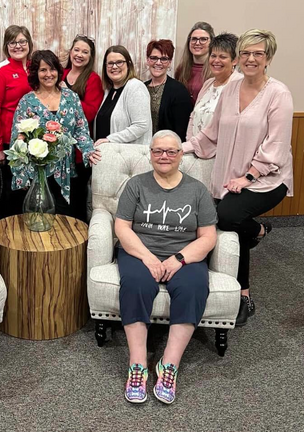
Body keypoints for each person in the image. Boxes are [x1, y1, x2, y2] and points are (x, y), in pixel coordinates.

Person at [183, 29, 293, 326]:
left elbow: (276, 145)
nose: (250, 58)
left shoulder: (278, 94)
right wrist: (182, 148)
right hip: (230, 177)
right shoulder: (230, 89)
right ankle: (244, 289)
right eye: (245, 53)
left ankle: (257, 235)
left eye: (258, 53)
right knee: (235, 226)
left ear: (268, 58)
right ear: (239, 57)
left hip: (267, 179)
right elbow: (212, 134)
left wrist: (249, 176)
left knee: (228, 217)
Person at [115, 130, 217, 405]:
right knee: (136, 284)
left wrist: (179, 258)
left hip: (183, 254)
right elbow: (122, 227)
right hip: (140, 252)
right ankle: (137, 364)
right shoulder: (136, 185)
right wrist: (148, 257)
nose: (164, 156)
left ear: (181, 155)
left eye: (171, 151)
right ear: (150, 154)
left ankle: (169, 365)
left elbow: (208, 236)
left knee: (194, 287)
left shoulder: (197, 190)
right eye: (158, 151)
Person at [10, 50, 100, 215]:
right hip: (37, 171)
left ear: (58, 71)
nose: (48, 74)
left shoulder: (71, 98)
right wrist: (20, 173)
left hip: (66, 171)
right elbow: (17, 139)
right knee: (39, 216)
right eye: (43, 70)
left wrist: (88, 150)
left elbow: (80, 129)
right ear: (36, 73)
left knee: (64, 217)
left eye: (52, 69)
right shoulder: (26, 102)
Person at [0, 25, 33, 219]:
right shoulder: (0, 71)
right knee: (11, 192)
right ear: (6, 46)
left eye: (22, 41)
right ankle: (7, 230)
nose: (18, 46)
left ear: (29, 43)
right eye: (13, 42)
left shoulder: (36, 67)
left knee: (31, 190)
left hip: (35, 142)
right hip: (9, 142)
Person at [62, 35, 104, 221]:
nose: (79, 55)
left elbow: (90, 113)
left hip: (79, 152)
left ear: (90, 57)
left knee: (77, 199)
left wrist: (67, 92)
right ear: (70, 52)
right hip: (58, 150)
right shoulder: (60, 74)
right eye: (77, 50)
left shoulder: (93, 79)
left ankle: (78, 234)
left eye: (85, 52)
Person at [186, 33, 242, 139]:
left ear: (235, 60)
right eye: (213, 56)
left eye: (222, 57)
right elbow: (193, 117)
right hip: (195, 146)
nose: (216, 61)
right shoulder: (208, 84)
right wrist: (189, 143)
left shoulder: (239, 85)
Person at [94, 45, 152, 146]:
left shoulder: (136, 86)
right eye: (110, 63)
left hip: (129, 154)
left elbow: (141, 125)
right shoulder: (108, 91)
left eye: (119, 62)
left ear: (128, 64)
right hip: (105, 153)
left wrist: (110, 139)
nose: (114, 67)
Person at [144, 39, 192, 141]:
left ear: (169, 62)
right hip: (141, 146)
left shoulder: (179, 91)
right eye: (154, 58)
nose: (158, 63)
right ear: (148, 60)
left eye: (164, 59)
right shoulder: (141, 88)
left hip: (167, 147)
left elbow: (181, 130)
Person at [175, 22, 215, 104]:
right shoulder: (181, 69)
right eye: (194, 39)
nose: (197, 43)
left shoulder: (216, 70)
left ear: (212, 42)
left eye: (203, 39)